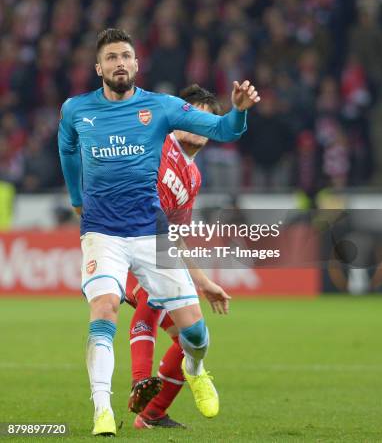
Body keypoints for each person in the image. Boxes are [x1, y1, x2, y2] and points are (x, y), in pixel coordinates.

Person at [57, 28, 260, 436]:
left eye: (125, 56)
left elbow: (223, 130)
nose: (119, 63)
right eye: (111, 57)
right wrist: (77, 197)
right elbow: (67, 150)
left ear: (136, 64)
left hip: (151, 234)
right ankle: (102, 410)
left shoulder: (162, 108)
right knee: (105, 312)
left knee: (196, 335)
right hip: (102, 232)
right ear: (99, 67)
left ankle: (195, 367)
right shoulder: (75, 110)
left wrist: (237, 111)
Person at [126, 83, 231, 429]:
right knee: (156, 293)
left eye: (207, 120)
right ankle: (140, 381)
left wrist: (200, 280)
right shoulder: (157, 144)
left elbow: (176, 235)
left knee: (192, 340)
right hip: (127, 247)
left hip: (159, 249)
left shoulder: (194, 176)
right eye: (191, 116)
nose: (198, 124)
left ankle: (152, 414)